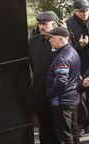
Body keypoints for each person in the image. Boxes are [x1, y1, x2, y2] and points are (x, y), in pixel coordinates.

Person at [47, 25, 81, 144]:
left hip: (61, 101)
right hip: (72, 99)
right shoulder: (72, 51)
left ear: (61, 39)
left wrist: (50, 94)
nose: (50, 40)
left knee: (64, 135)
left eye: (52, 38)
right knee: (73, 131)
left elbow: (61, 81)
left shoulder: (62, 58)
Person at [29, 11, 59, 142]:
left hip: (59, 94)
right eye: (40, 24)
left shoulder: (61, 40)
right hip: (41, 93)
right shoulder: (33, 42)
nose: (41, 27)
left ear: (53, 24)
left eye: (45, 24)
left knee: (60, 130)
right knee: (45, 130)